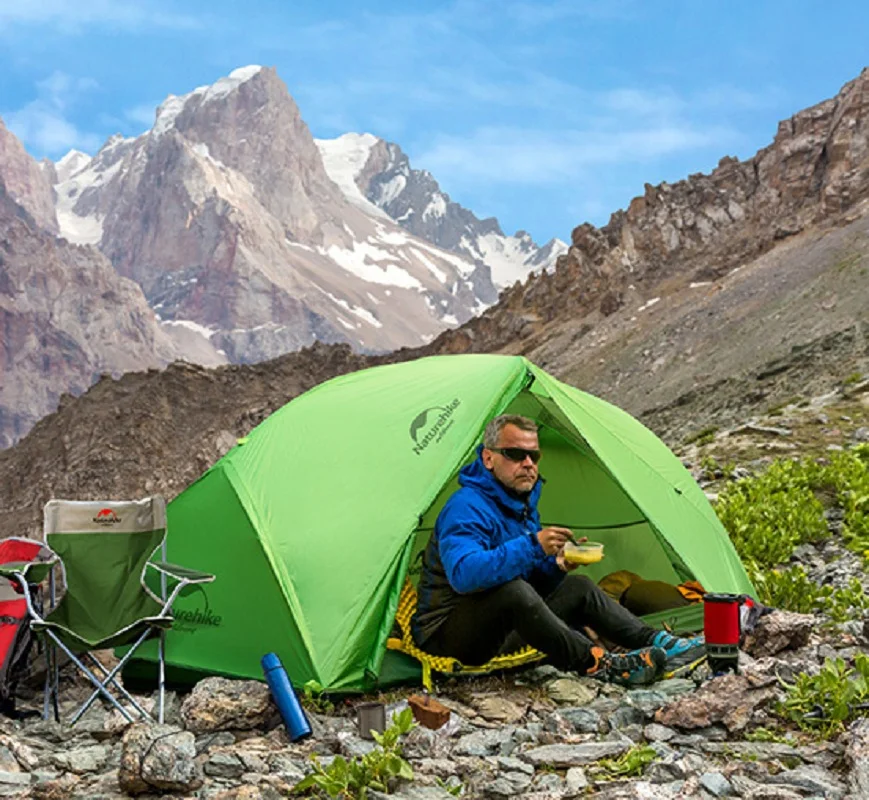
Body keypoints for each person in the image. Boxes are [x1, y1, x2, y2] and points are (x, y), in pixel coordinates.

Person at [411, 414, 705, 686]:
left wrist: (556, 567)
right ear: (489, 458)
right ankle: (601, 665)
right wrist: (532, 546)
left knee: (576, 586)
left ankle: (660, 641)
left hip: (499, 627)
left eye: (534, 455)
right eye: (515, 454)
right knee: (513, 591)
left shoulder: (520, 504)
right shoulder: (466, 506)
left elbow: (531, 586)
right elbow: (465, 575)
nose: (528, 463)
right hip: (449, 635)